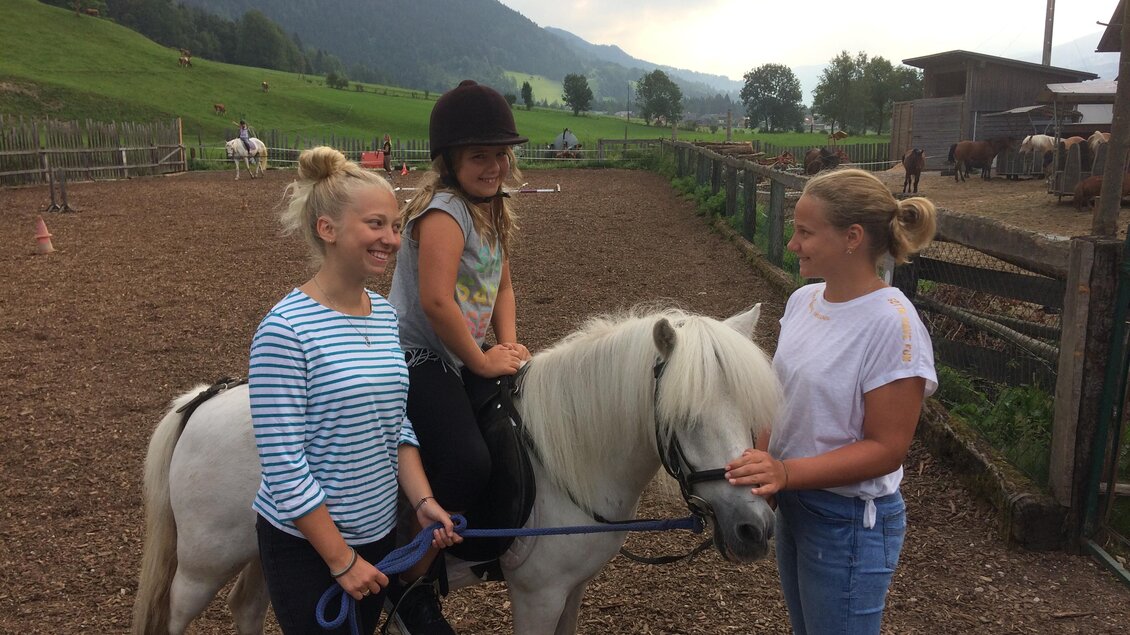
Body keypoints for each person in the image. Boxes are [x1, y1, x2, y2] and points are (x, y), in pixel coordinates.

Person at [249, 146, 460, 635]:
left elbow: (396, 423)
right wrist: (342, 560)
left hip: (377, 534)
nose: (391, 238)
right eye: (376, 224)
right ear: (328, 229)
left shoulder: (384, 315)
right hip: (309, 548)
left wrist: (423, 502)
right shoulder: (285, 330)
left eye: (394, 226)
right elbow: (284, 467)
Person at [723, 168, 938, 635]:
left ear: (852, 238)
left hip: (848, 525)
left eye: (805, 232)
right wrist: (764, 463)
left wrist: (785, 473)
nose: (793, 244)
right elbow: (776, 398)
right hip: (796, 504)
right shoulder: (804, 301)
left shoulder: (893, 325)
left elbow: (887, 448)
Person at [386, 79, 530, 635]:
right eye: (478, 156)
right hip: (421, 353)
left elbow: (504, 289)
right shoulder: (445, 211)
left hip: (463, 353)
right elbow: (436, 301)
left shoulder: (494, 208)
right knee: (469, 460)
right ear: (449, 160)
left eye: (500, 154)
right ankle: (411, 586)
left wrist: (507, 345)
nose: (493, 165)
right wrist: (481, 360)